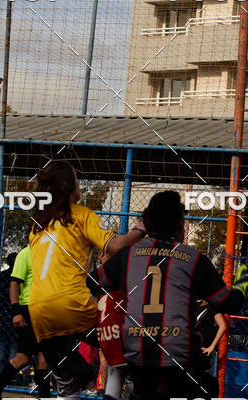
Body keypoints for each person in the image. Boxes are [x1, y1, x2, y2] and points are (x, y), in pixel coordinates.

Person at [92, 190, 248, 400]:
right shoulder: (193, 258)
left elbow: (93, 282)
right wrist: (243, 288)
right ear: (179, 224)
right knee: (205, 387)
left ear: (147, 222)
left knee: (145, 385)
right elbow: (227, 303)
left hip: (137, 351)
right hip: (178, 354)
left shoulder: (128, 255)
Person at [27, 161, 146, 400]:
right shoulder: (81, 214)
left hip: (38, 310)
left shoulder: (38, 225)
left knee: (68, 383)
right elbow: (115, 246)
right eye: (76, 179)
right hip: (71, 304)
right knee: (117, 341)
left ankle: (79, 385)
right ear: (69, 186)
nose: (80, 184)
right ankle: (122, 390)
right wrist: (141, 229)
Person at [0, 247, 51, 400]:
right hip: (28, 309)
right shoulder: (26, 253)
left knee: (42, 359)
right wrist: (16, 311)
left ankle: (45, 397)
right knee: (23, 357)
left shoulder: (51, 252)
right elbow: (14, 284)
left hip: (46, 312)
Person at [0, 252, 18, 376]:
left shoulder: (2, 275)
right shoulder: (19, 276)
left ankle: (1, 373)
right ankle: (10, 374)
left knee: (2, 347)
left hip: (2, 314)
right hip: (14, 312)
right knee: (13, 347)